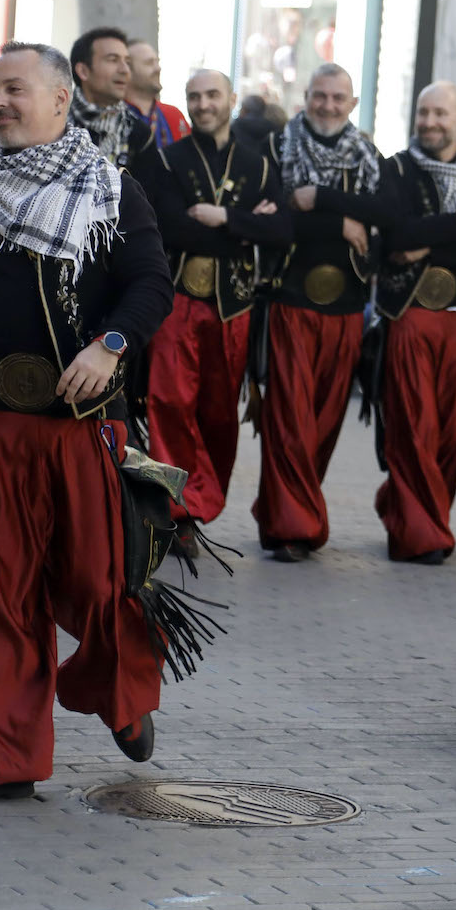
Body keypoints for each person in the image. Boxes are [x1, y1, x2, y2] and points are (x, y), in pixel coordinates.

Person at [0, 41, 172, 804]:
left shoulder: (110, 190)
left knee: (101, 585)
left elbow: (150, 285)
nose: (0, 103)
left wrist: (110, 345)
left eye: (15, 90)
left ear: (59, 101)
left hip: (78, 429)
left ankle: (124, 689)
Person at [249, 62, 385, 560]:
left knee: (325, 424)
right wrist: (344, 220)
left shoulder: (370, 155)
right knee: (289, 418)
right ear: (305, 96)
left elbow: (389, 216)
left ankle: (281, 511)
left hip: (347, 308)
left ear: (352, 104)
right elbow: (272, 221)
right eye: (320, 95)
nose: (328, 105)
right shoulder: (274, 149)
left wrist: (321, 202)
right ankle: (295, 529)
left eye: (338, 97)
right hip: (288, 301)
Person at [369, 81, 456, 563]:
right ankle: (418, 535)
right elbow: (394, 236)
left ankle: (418, 514)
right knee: (412, 425)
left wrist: (424, 243)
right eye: (423, 112)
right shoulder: (396, 168)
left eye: (440, 113)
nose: (429, 122)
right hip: (410, 317)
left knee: (449, 432)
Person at [143, 70, 274, 534]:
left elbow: (281, 232)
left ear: (232, 99)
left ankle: (202, 501)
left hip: (233, 304)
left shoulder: (258, 164)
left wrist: (223, 217)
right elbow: (171, 228)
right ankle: (174, 511)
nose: (203, 104)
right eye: (194, 96)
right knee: (168, 404)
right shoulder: (167, 159)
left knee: (219, 413)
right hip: (176, 299)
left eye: (212, 95)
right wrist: (244, 227)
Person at [68, 26, 155, 174]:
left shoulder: (138, 132)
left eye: (127, 61)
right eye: (113, 60)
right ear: (83, 71)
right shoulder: (53, 123)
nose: (125, 70)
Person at [125, 38, 188, 148]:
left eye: (157, 62)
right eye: (149, 63)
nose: (158, 68)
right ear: (127, 69)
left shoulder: (174, 115)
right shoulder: (113, 116)